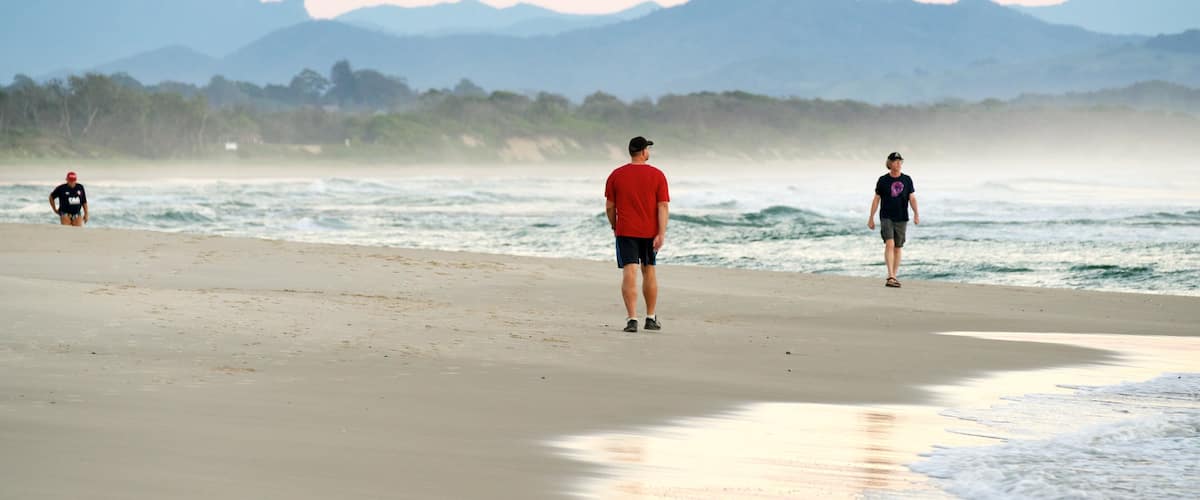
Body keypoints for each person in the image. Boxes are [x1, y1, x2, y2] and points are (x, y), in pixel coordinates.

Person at [605, 136, 670, 332]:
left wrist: (615, 226)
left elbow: (609, 207)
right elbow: (663, 206)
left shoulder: (616, 175)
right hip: (649, 231)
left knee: (629, 271)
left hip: (626, 231)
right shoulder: (658, 175)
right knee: (648, 270)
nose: (648, 152)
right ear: (643, 152)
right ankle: (650, 318)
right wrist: (661, 233)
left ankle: (632, 319)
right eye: (647, 149)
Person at [868, 152, 919, 288]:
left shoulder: (907, 179)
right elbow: (876, 199)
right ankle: (890, 275)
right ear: (889, 163)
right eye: (895, 161)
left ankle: (894, 276)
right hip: (886, 216)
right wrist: (871, 217)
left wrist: (916, 214)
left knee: (898, 246)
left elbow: (912, 198)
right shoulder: (883, 180)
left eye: (900, 161)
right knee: (889, 243)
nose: (898, 163)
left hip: (902, 217)